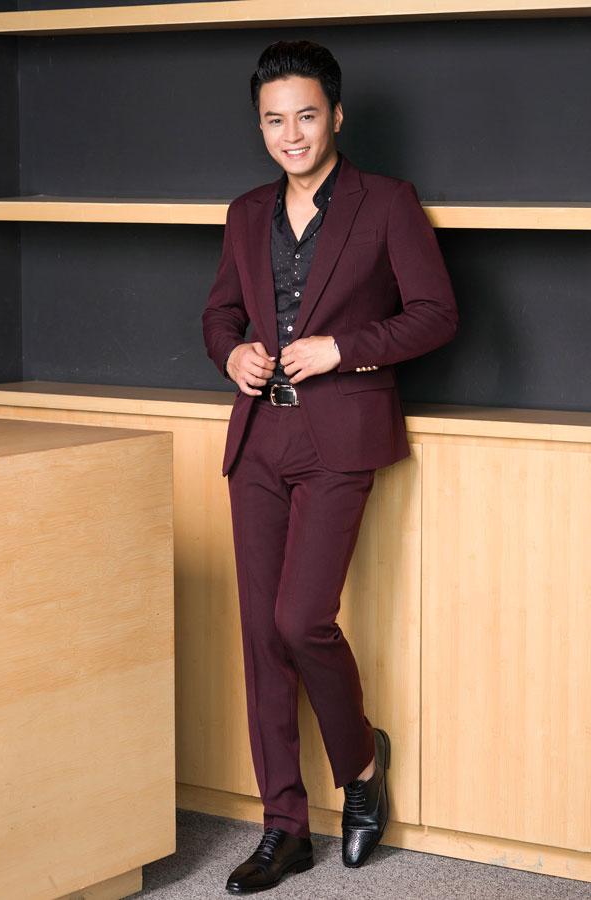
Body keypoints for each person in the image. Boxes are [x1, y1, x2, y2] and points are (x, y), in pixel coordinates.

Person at [202, 39, 458, 894]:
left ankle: (360, 764)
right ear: (260, 127)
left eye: (306, 116)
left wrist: (342, 348)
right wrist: (231, 352)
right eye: (275, 120)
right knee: (259, 637)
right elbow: (219, 313)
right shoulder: (245, 213)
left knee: (300, 619)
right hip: (257, 440)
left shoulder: (387, 203)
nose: (292, 134)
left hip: (340, 437)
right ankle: (283, 827)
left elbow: (435, 314)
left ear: (336, 116)